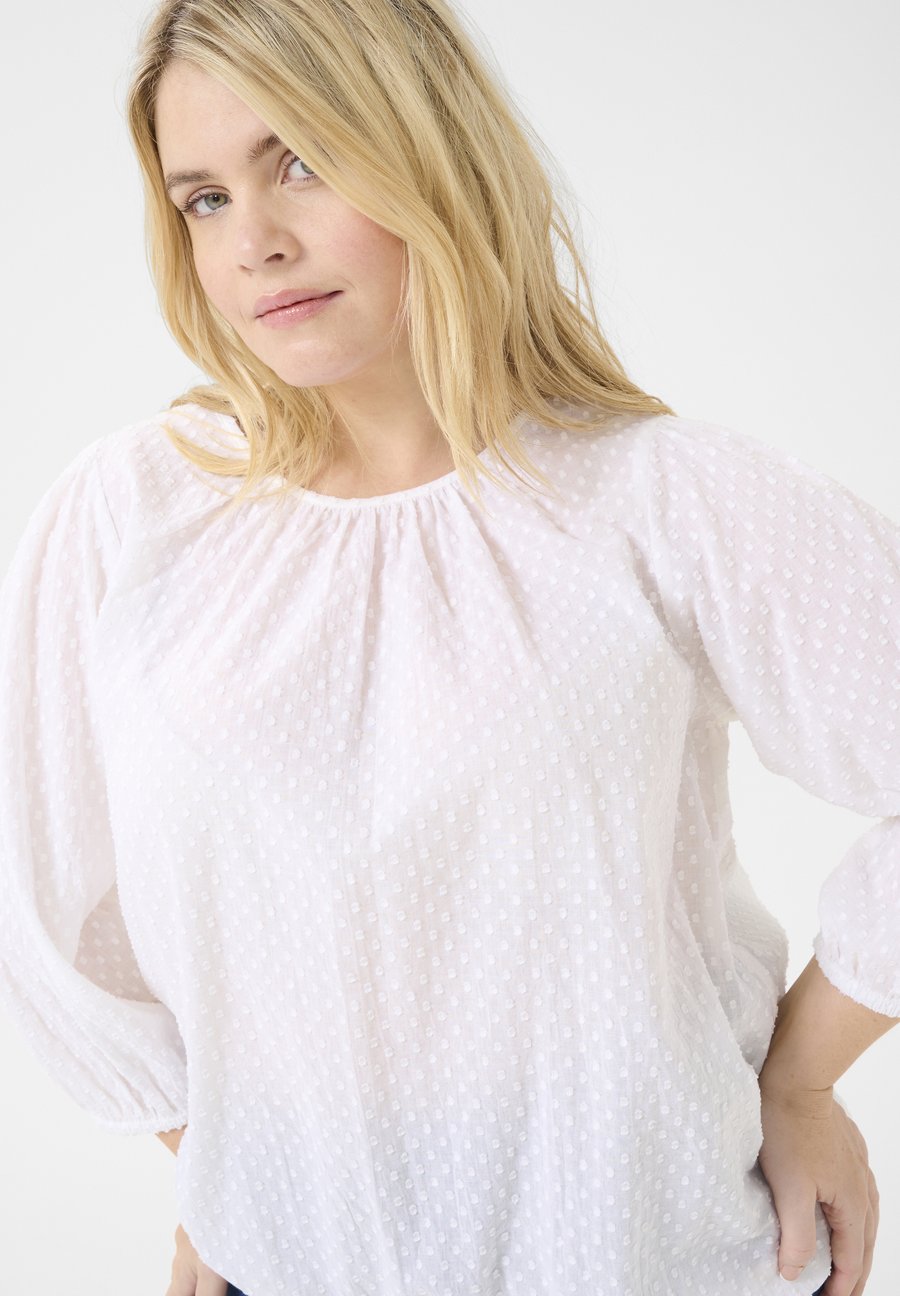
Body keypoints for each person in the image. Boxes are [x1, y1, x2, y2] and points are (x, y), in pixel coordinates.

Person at [0, 0, 896, 1293]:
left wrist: (801, 1078)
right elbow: (52, 915)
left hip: (653, 1257)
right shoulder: (130, 515)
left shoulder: (660, 500)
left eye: (302, 161)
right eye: (204, 199)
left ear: (428, 150)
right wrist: (228, 1173)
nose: (254, 242)